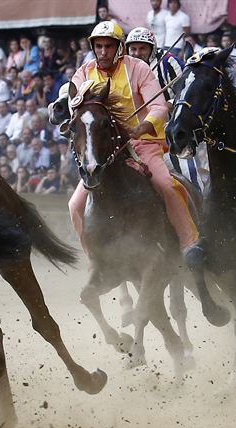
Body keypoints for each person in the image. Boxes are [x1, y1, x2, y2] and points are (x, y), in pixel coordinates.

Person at [68, 21, 202, 265]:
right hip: (106, 150)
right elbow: (73, 103)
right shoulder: (84, 72)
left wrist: (145, 125)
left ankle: (188, 243)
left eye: (109, 46)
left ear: (119, 48)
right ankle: (94, 259)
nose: (103, 51)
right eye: (98, 46)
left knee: (166, 185)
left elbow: (160, 106)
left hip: (144, 144)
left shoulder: (138, 68)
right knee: (74, 205)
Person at [125, 26, 207, 192]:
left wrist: (166, 106)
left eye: (142, 48)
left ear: (152, 49)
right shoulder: (124, 68)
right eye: (133, 49)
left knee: (188, 172)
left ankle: (201, 201)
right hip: (135, 135)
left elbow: (187, 90)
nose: (137, 53)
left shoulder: (168, 62)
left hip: (170, 131)